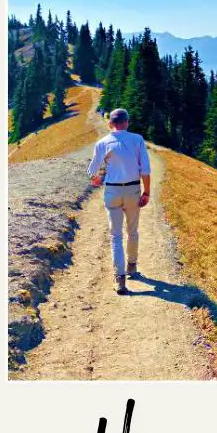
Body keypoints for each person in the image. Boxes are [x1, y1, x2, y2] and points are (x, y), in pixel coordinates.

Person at [87, 108, 151, 294]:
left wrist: (97, 179)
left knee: (115, 236)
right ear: (127, 122)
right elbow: (145, 170)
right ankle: (132, 266)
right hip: (132, 190)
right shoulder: (137, 139)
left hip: (112, 191)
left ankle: (120, 279)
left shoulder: (102, 143)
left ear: (110, 124)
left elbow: (93, 172)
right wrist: (146, 192)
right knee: (133, 231)